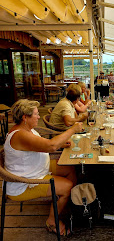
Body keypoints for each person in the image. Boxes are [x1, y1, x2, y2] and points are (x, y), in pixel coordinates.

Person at [4, 99, 83, 236]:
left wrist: (61, 144)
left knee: (70, 168)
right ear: (25, 118)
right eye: (35, 114)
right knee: (67, 186)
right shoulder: (20, 135)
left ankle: (61, 202)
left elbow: (43, 144)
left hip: (36, 169)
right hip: (25, 183)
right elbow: (50, 146)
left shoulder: (25, 129)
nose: (39, 116)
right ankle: (52, 221)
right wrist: (72, 129)